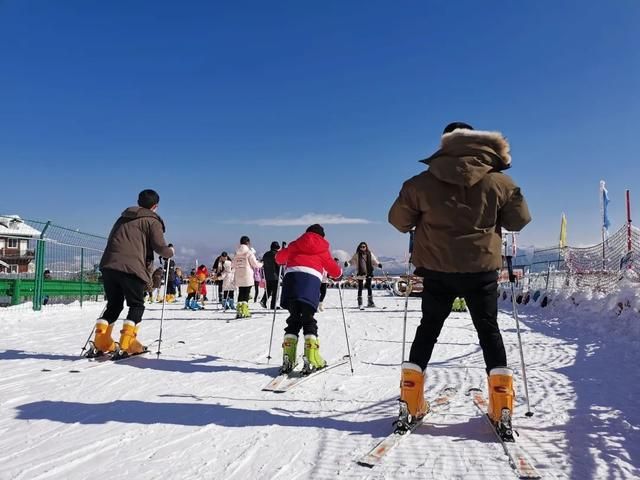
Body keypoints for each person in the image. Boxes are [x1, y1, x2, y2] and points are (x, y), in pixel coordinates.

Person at [388, 122, 531, 432]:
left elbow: (399, 221)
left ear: (445, 144)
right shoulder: (500, 182)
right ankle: (502, 405)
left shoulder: (420, 183)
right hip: (481, 270)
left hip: (436, 269)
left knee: (428, 330)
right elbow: (519, 221)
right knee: (488, 330)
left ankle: (411, 402)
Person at [91, 189, 174, 358]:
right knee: (136, 305)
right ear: (155, 206)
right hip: (132, 268)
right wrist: (170, 252)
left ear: (138, 202)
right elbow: (160, 247)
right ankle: (127, 343)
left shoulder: (122, 218)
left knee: (114, 305)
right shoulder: (152, 220)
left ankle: (101, 341)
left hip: (108, 265)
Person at [275, 224, 341, 373]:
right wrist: (339, 274)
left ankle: (288, 358)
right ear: (322, 236)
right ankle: (311, 359)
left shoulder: (295, 244)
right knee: (308, 319)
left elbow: (279, 259)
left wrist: (283, 252)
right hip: (310, 286)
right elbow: (334, 270)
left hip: (291, 284)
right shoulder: (323, 250)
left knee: (293, 319)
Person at [345, 242, 382, 309]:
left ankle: (370, 302)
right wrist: (347, 264)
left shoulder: (370, 254)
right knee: (360, 287)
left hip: (369, 272)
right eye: (361, 246)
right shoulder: (357, 255)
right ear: (359, 247)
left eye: (364, 246)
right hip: (360, 273)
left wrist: (378, 264)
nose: (362, 248)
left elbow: (374, 261)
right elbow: (351, 261)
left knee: (369, 287)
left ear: (366, 247)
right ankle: (360, 303)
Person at [232, 237, 262, 318]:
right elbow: (255, 264)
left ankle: (239, 311)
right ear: (248, 243)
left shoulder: (237, 253)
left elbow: (232, 264)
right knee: (246, 292)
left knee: (241, 292)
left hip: (238, 274)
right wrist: (261, 264)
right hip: (247, 275)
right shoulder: (249, 252)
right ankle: (245, 311)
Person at [260, 241, 281, 309]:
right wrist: (281, 274)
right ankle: (273, 306)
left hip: (267, 275)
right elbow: (278, 265)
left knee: (268, 290)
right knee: (275, 292)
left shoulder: (266, 254)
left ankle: (264, 300)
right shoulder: (276, 254)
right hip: (275, 276)